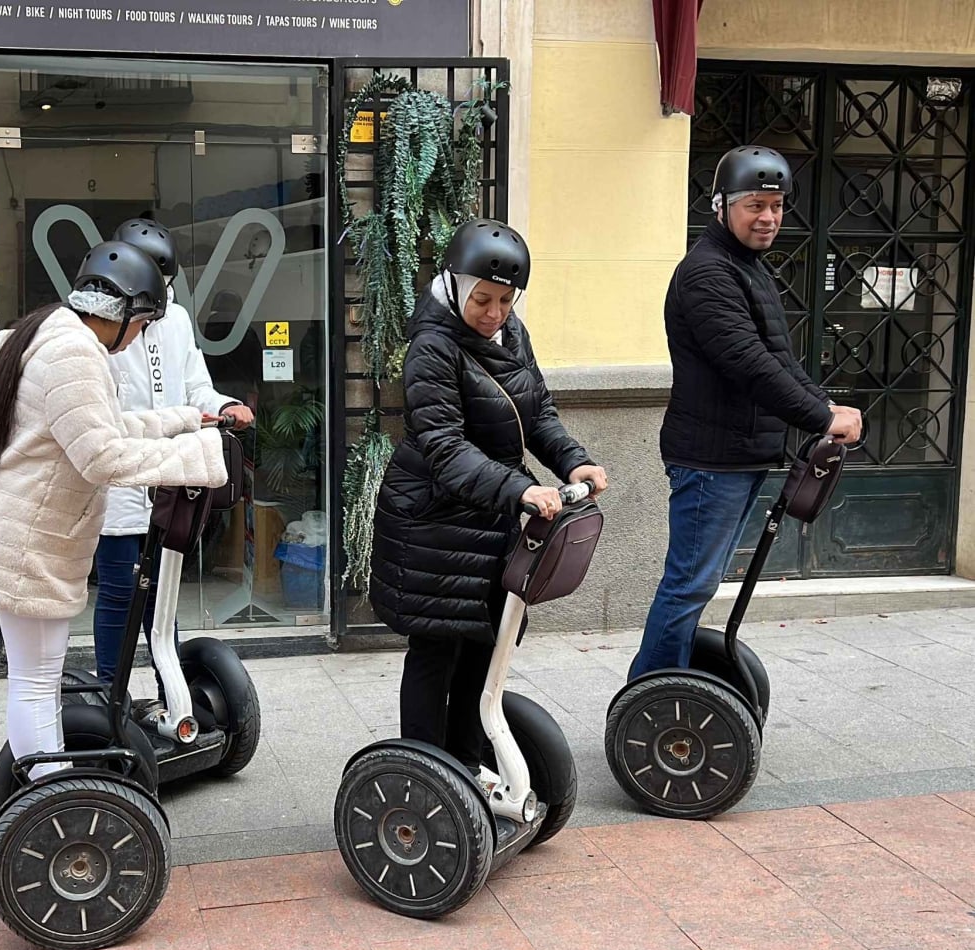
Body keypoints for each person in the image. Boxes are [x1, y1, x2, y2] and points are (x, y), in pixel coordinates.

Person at [0, 240, 227, 781]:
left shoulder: (55, 333)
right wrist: (196, 457)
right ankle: (48, 797)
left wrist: (184, 421)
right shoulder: (72, 353)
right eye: (142, 324)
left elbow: (102, 428)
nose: (140, 336)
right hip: (28, 543)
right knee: (33, 681)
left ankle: (50, 789)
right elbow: (101, 455)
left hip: (29, 538)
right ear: (122, 313)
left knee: (38, 680)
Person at [368, 219, 608, 772]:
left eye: (505, 300)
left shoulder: (512, 334)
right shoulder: (432, 347)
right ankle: (426, 774)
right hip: (434, 518)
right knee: (435, 652)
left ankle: (467, 767)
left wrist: (575, 461)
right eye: (482, 299)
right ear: (454, 284)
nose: (494, 313)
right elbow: (444, 447)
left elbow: (538, 413)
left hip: (496, 510)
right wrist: (523, 488)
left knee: (485, 644)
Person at [628, 145, 862, 682]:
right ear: (722, 206)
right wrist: (821, 419)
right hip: (711, 458)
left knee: (699, 584)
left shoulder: (746, 269)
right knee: (689, 583)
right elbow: (747, 362)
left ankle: (665, 688)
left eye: (777, 206)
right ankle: (650, 700)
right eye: (756, 204)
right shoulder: (708, 273)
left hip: (739, 454)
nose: (769, 217)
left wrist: (822, 403)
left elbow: (778, 357)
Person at [94, 218, 254, 696]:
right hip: (121, 485)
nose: (158, 299)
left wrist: (223, 406)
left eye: (164, 286)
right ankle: (109, 698)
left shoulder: (177, 319)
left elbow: (194, 387)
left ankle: (173, 696)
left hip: (170, 482)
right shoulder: (98, 327)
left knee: (162, 599)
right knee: (121, 595)